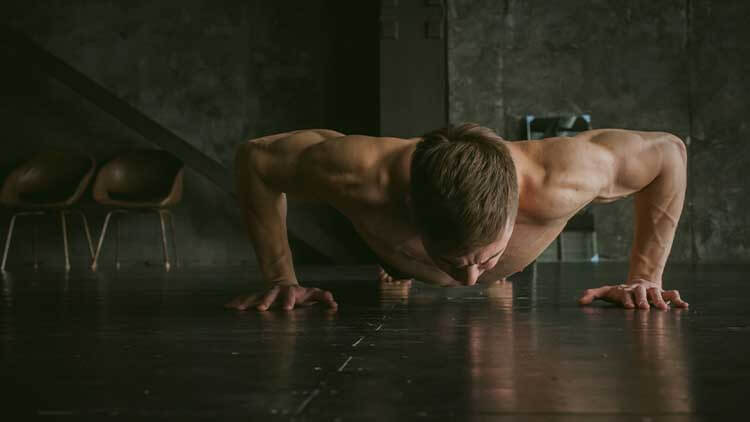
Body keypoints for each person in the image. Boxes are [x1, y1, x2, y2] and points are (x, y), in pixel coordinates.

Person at [225, 124, 689, 312]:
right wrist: (281, 278)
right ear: (409, 209)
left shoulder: (562, 178)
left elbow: (669, 154)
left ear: (516, 210)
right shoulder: (358, 174)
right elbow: (256, 161)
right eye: (450, 259)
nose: (469, 279)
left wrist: (646, 277)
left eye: (487, 260)